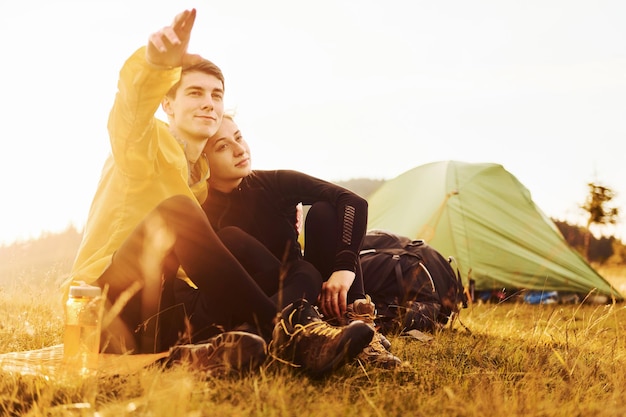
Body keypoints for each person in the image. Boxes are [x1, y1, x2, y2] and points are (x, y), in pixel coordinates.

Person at [63, 9, 374, 377]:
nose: (209, 102)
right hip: (105, 309)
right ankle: (287, 335)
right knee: (176, 212)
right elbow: (129, 116)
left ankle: (282, 331)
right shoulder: (146, 145)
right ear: (168, 104)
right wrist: (155, 67)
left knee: (288, 266)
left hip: (161, 311)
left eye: (216, 95)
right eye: (195, 93)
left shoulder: (200, 177)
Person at [200, 115, 403, 368]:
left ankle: (354, 318)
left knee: (325, 212)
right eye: (223, 146)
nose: (240, 149)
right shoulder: (196, 208)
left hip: (306, 287)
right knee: (231, 238)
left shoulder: (271, 183)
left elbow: (353, 202)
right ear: (202, 160)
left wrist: (344, 268)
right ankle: (263, 334)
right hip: (250, 299)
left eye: (239, 137)